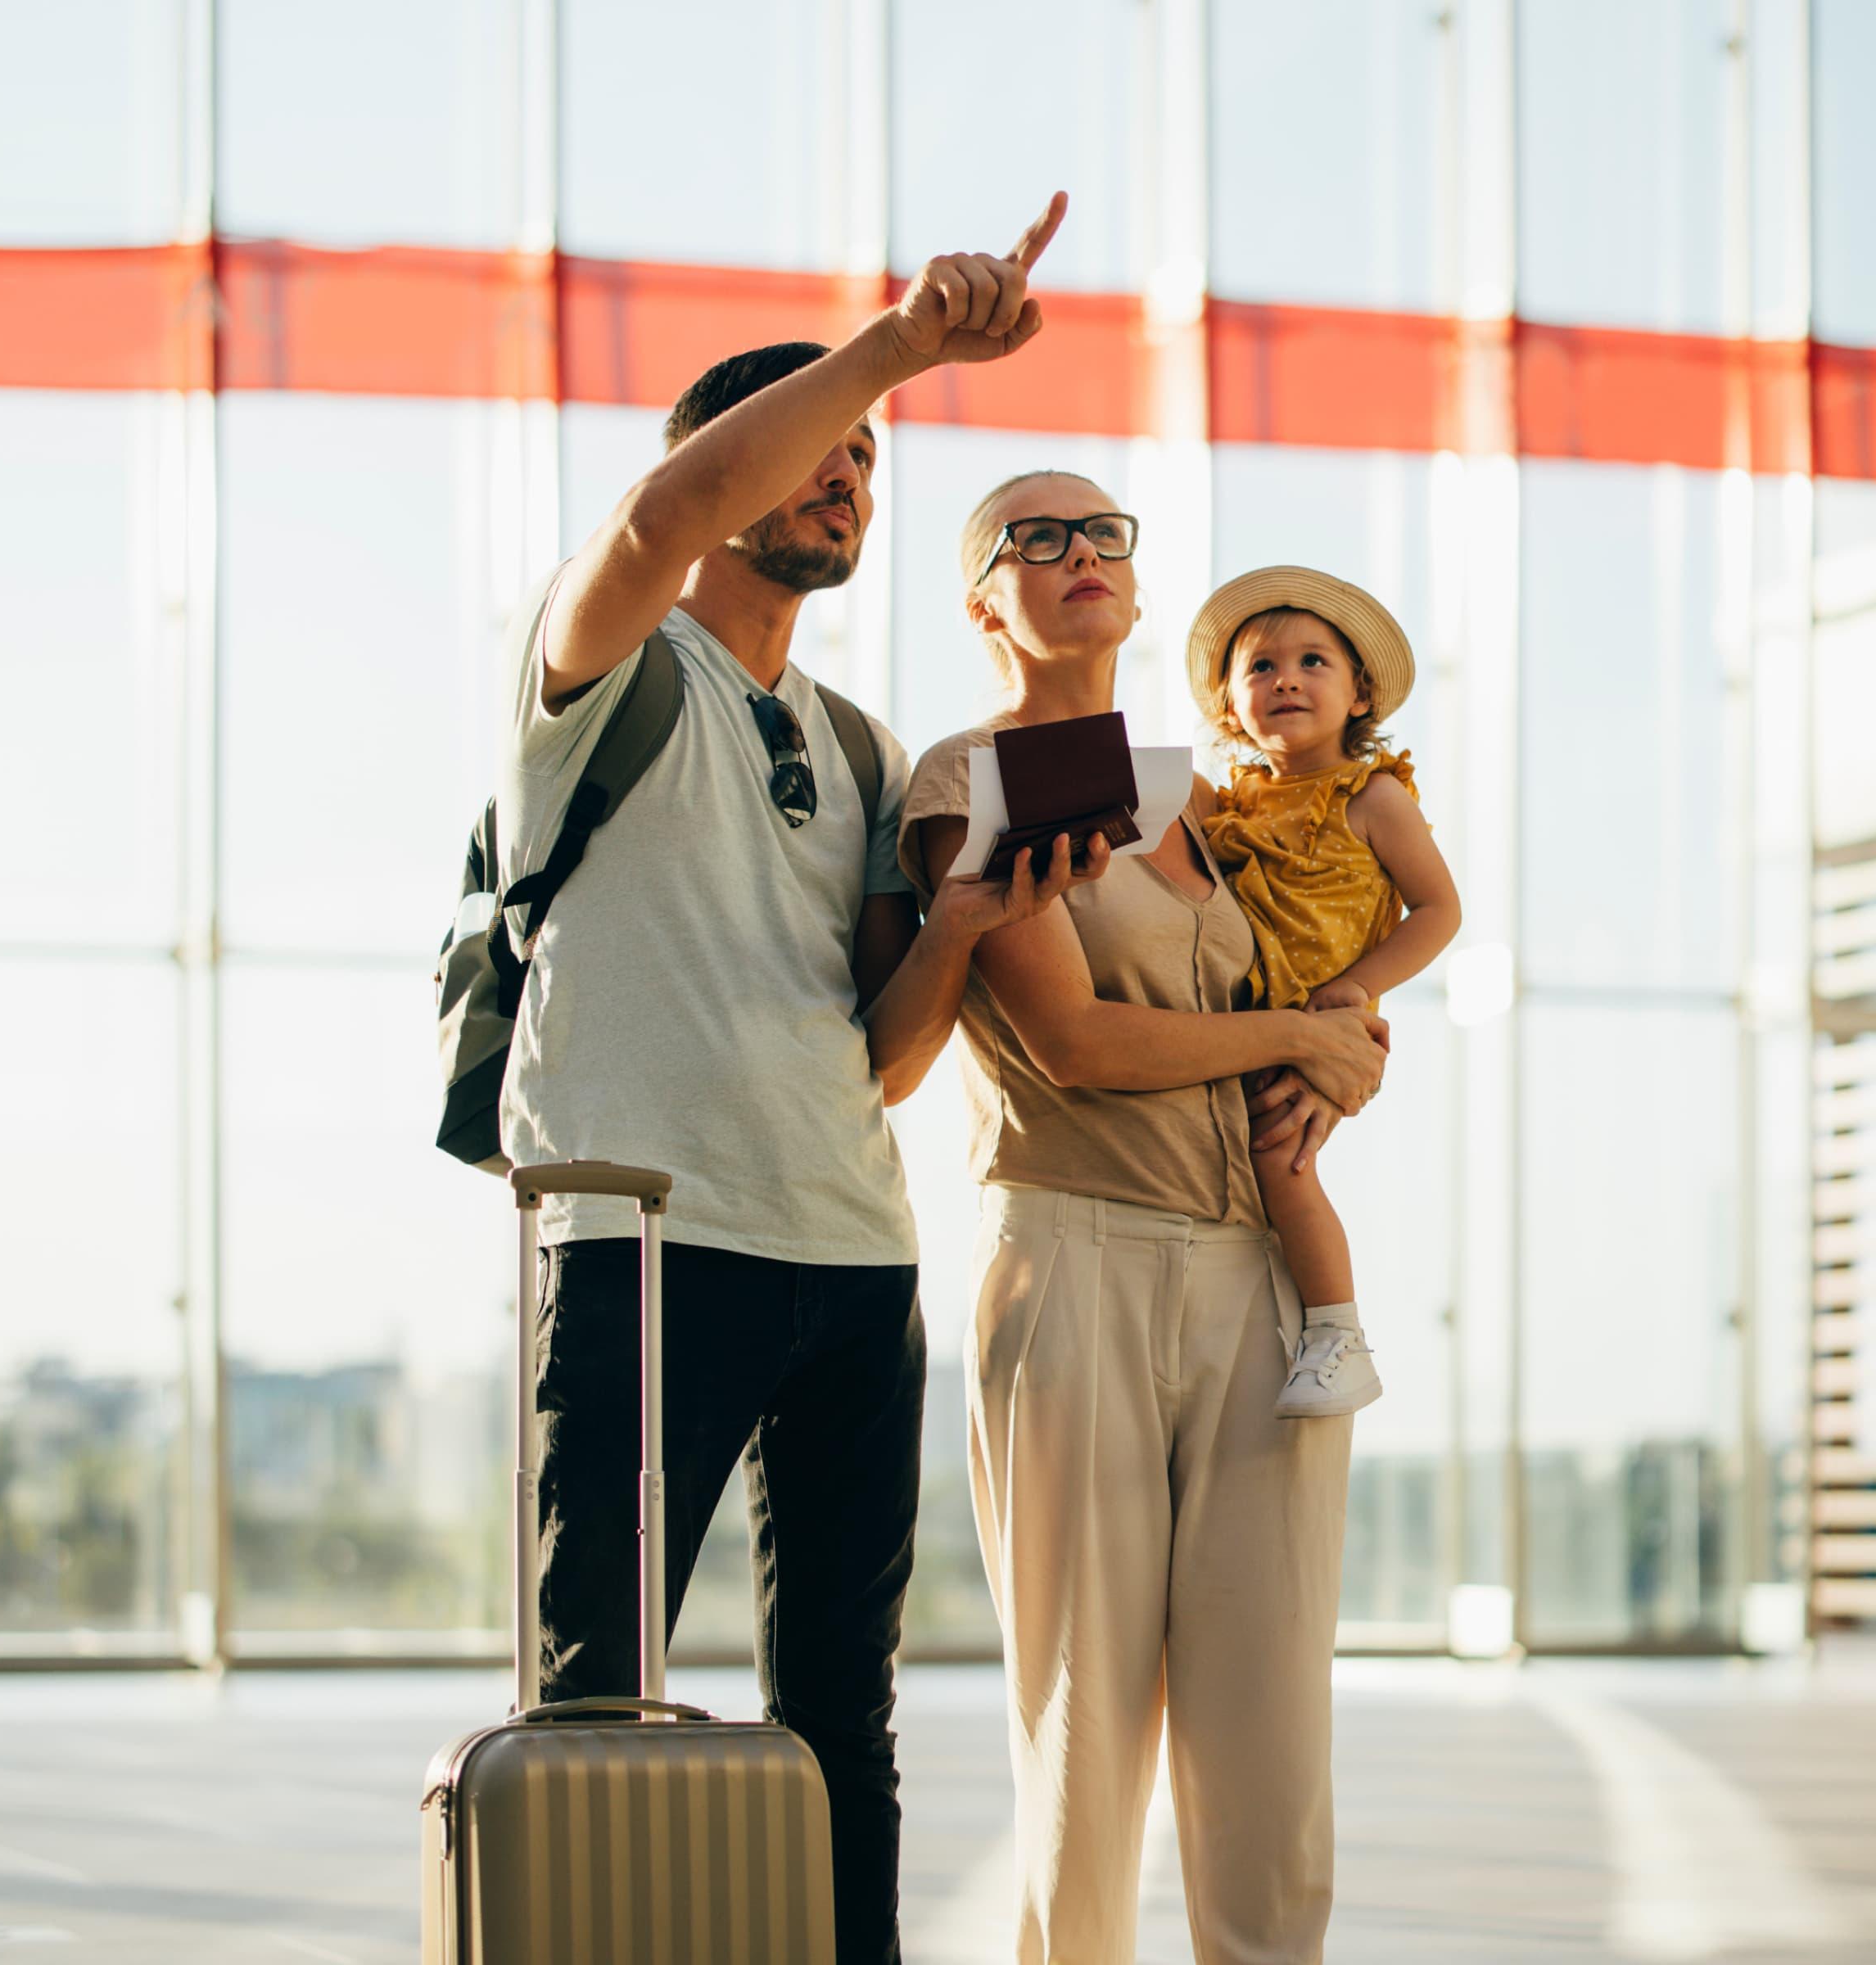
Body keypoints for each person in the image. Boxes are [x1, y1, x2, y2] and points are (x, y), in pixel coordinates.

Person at [497, 197, 1096, 1965]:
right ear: (722, 461)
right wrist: (905, 340)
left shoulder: (859, 747)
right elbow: (659, 519)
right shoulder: (602, 659)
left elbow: (887, 1055)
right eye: (819, 451)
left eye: (867, 466)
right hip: (645, 1244)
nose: (849, 480)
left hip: (850, 1257)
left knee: (846, 1718)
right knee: (597, 1704)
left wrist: (971, 922)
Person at [897, 471, 1391, 1963]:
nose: (1080, 557)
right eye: (1033, 540)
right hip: (1075, 1260)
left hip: (1256, 1278)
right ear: (986, 600)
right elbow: (1078, 1046)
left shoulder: (1200, 801)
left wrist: (1347, 1034)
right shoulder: (965, 781)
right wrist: (1296, 1044)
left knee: (1270, 1715)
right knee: (1085, 1718)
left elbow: (1310, 983)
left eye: (1104, 532)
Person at [1191, 567, 1461, 1417]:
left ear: (1358, 696)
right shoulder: (1231, 806)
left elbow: (1441, 909)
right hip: (1253, 1018)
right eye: (1261, 669)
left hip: (1320, 1016)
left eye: (1313, 662)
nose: (1287, 680)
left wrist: (1356, 990)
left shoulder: (1372, 797)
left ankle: (1338, 1336)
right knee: (1241, 1156)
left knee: (1284, 1158)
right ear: (1231, 707)